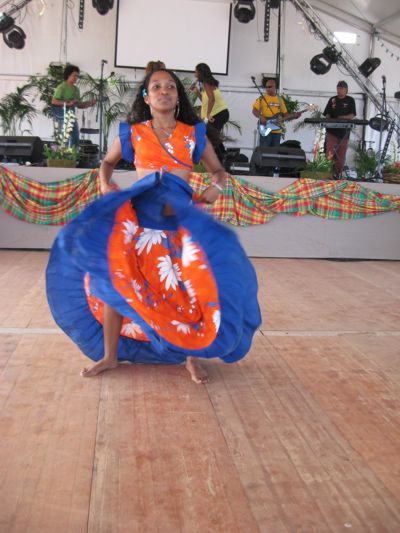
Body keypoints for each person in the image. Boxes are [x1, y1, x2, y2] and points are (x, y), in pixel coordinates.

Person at [46, 68, 261, 384]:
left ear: (177, 97)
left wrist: (213, 191)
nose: (164, 90)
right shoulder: (133, 133)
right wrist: (106, 184)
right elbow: (106, 163)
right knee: (117, 283)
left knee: (190, 290)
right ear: (146, 98)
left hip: (180, 225)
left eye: (170, 86)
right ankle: (110, 356)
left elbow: (218, 172)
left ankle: (190, 357)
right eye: (156, 86)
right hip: (138, 224)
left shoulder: (193, 133)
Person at [191, 63, 229, 161]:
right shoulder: (208, 83)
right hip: (220, 113)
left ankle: (220, 160)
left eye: (196, 72)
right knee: (212, 137)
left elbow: (212, 100)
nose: (195, 74)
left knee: (211, 138)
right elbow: (206, 101)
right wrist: (197, 93)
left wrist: (208, 115)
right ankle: (223, 156)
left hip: (218, 113)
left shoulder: (206, 83)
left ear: (200, 72)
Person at [51, 64, 96, 147]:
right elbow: (54, 101)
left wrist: (89, 103)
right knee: (64, 137)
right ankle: (63, 156)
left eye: (77, 76)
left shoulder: (76, 89)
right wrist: (67, 104)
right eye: (74, 75)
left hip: (71, 116)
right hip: (63, 115)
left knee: (75, 136)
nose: (76, 78)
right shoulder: (61, 87)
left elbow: (78, 105)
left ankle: (74, 156)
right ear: (68, 75)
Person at [252, 78, 300, 148]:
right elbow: (254, 111)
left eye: (269, 87)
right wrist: (261, 116)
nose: (267, 88)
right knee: (265, 151)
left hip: (277, 130)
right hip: (266, 129)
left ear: (275, 87)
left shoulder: (280, 99)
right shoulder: (262, 98)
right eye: (266, 87)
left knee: (275, 152)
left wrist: (294, 116)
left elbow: (285, 114)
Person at [323, 80, 356, 176]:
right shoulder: (333, 99)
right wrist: (328, 120)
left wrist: (341, 118)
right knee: (329, 154)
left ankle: (338, 174)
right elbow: (327, 113)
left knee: (341, 156)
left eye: (341, 88)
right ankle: (328, 173)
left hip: (344, 132)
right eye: (338, 88)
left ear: (346, 90)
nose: (339, 90)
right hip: (332, 131)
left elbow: (352, 115)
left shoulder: (350, 100)